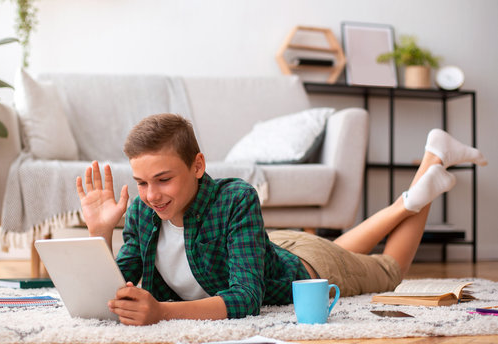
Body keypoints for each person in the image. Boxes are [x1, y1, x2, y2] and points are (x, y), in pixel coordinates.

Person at [76, 114, 487, 326]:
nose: (151, 195)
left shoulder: (236, 198)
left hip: (311, 268)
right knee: (340, 248)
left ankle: (429, 171)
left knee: (388, 270)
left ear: (198, 165)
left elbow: (245, 298)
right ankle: (412, 196)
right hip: (272, 247)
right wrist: (100, 233)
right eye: (142, 182)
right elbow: (119, 289)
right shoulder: (143, 212)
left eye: (164, 179)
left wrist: (163, 312)